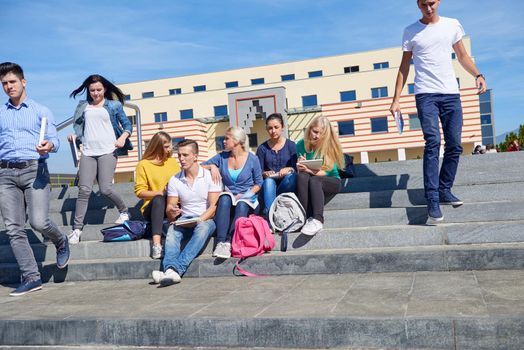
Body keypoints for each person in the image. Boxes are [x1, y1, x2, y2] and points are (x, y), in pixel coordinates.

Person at [389, 0, 487, 223]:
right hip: (426, 95)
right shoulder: (411, 31)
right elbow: (404, 67)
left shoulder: (452, 25)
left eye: (431, 3)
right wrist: (396, 99)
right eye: (424, 4)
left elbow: (462, 56)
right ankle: (432, 198)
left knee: (454, 145)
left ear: (439, 1)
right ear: (418, 4)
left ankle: (445, 189)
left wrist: (478, 75)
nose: (428, 8)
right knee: (433, 141)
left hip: (451, 94)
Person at [0, 62, 70, 296]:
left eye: (12, 82)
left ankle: (60, 240)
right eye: (4, 84)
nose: (9, 87)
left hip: (34, 169)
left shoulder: (41, 110)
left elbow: (55, 141)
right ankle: (31, 276)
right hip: (5, 173)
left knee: (38, 222)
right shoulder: (0, 113)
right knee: (13, 228)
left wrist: (48, 145)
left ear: (23, 82)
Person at [67, 74, 133, 244]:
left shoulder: (113, 105)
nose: (95, 93)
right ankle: (76, 230)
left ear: (104, 89)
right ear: (88, 91)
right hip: (88, 152)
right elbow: (80, 127)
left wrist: (122, 138)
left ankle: (124, 210)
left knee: (105, 189)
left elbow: (127, 125)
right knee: (84, 190)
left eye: (98, 90)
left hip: (108, 150)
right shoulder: (83, 106)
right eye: (92, 90)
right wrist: (74, 136)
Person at [151, 140, 221, 285]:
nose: (181, 159)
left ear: (195, 156)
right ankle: (170, 270)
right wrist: (171, 210)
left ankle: (175, 269)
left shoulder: (209, 176)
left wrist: (200, 219)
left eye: (185, 155)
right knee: (172, 230)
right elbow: (170, 211)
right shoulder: (175, 180)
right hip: (185, 220)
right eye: (179, 155)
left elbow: (213, 208)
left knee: (202, 227)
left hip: (206, 219)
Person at [202, 126, 263, 259]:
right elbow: (199, 166)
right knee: (224, 198)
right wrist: (212, 166)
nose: (223, 141)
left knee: (241, 204)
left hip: (248, 199)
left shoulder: (253, 159)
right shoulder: (221, 157)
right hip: (229, 198)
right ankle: (220, 242)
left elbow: (259, 183)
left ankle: (229, 241)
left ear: (236, 140)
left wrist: (245, 195)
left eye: (226, 138)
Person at [134, 132, 181, 259]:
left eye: (170, 146)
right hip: (153, 207)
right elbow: (139, 191)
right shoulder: (143, 165)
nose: (170, 149)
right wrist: (159, 192)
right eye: (166, 146)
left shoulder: (172, 162)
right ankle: (156, 245)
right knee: (159, 199)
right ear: (157, 146)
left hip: (172, 203)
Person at [296, 115, 344, 236]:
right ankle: (305, 217)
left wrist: (307, 169)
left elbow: (326, 171)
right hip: (312, 177)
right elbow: (302, 172)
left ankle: (317, 219)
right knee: (301, 176)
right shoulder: (301, 144)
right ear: (310, 129)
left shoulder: (329, 146)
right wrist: (301, 166)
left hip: (331, 180)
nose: (317, 136)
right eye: (315, 131)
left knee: (315, 180)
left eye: (321, 134)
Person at [256, 113, 297, 218]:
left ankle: (276, 201)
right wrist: (264, 173)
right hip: (269, 185)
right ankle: (271, 217)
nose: (273, 131)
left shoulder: (291, 146)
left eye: (276, 127)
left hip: (287, 184)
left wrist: (290, 168)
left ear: (282, 127)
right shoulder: (262, 148)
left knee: (291, 177)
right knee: (268, 182)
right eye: (270, 128)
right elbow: (258, 171)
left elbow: (297, 168)